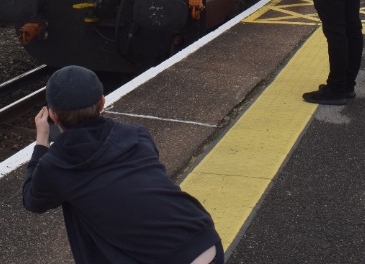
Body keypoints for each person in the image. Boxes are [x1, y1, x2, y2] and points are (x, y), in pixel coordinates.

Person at [23, 66, 224, 263]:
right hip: (204, 239)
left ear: (53, 115)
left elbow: (33, 200)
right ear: (102, 102)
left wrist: (42, 141)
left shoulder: (55, 165)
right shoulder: (136, 134)